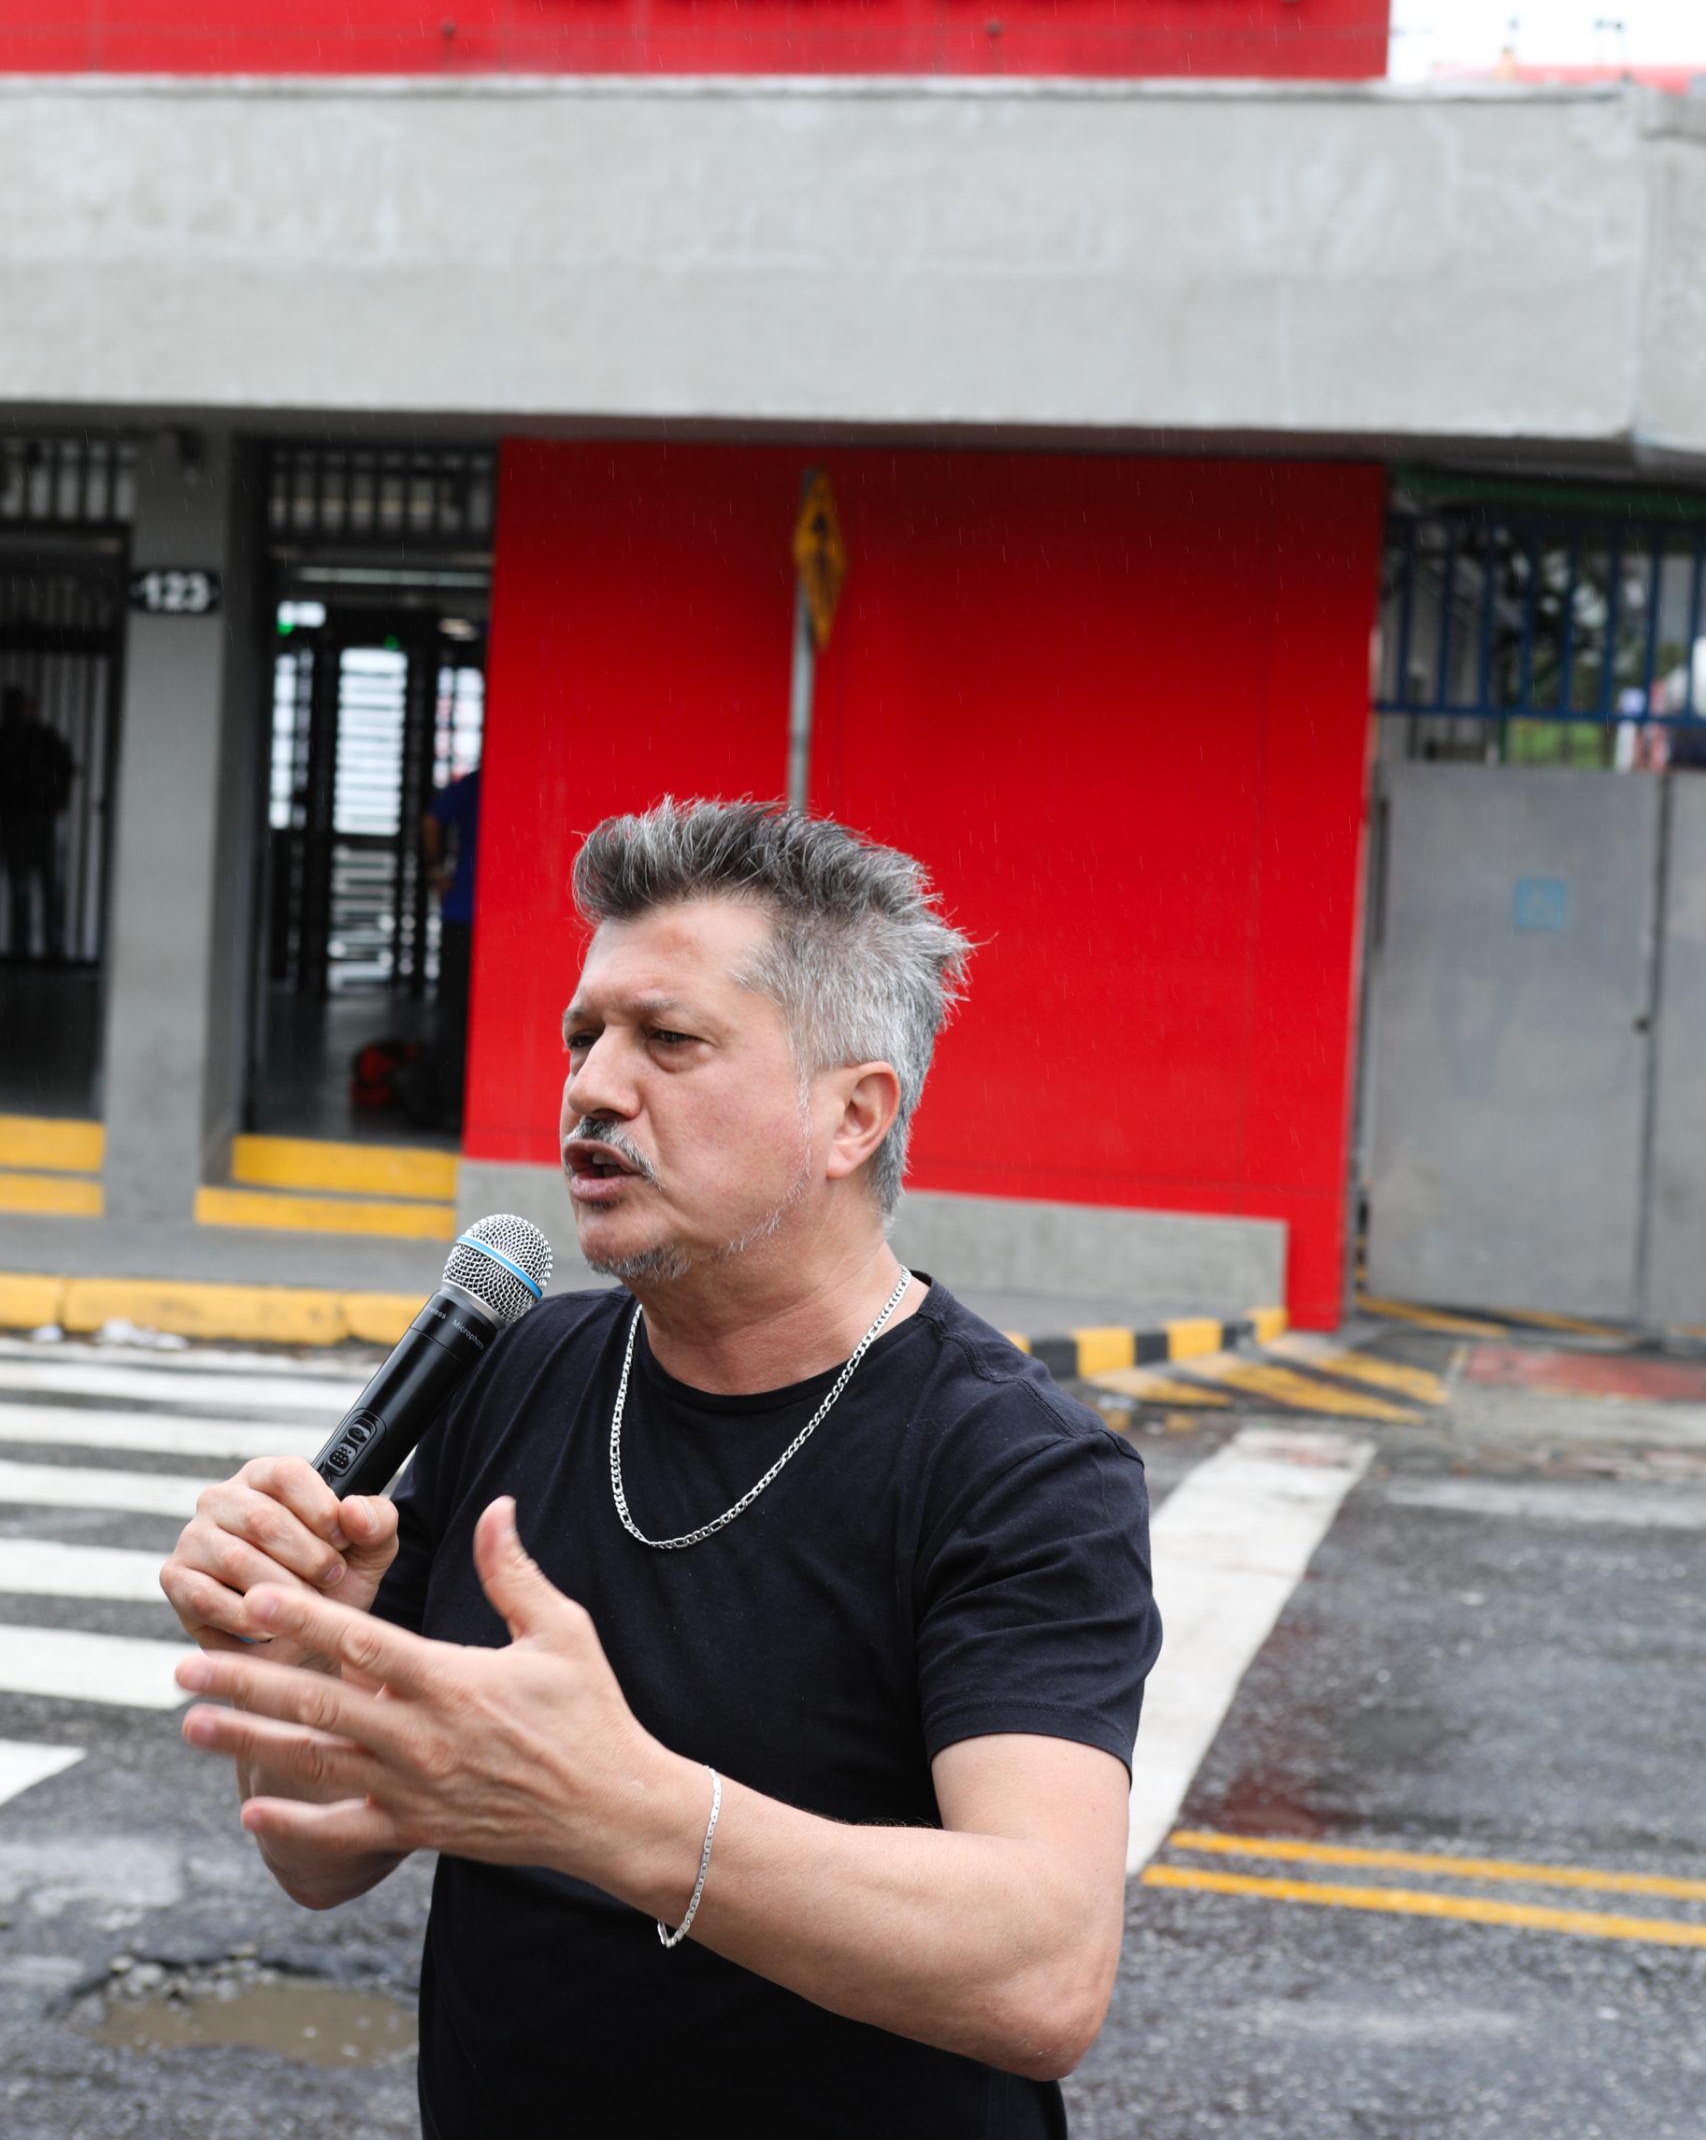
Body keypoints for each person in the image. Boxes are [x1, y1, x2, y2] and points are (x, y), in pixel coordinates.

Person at [161, 799, 1160, 2137]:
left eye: (668, 1041)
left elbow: (1041, 1970)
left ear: (852, 1115)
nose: (591, 1085)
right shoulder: (513, 1371)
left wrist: (613, 1810)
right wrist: (296, 1643)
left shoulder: (1012, 1468)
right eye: (585, 1034)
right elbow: (317, 1851)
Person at [418, 765, 480, 1130]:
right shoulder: (489, 782)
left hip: (463, 916)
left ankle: (447, 1107)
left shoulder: (476, 782)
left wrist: (438, 871)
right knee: (469, 1018)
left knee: (452, 1015)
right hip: (489, 920)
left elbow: (431, 821)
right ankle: (453, 1104)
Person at [0, 686, 74, 962]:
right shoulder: (35, 737)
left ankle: (36, 952)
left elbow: (65, 765)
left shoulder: (39, 738)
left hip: (32, 822)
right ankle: (41, 952)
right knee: (36, 888)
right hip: (26, 822)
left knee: (38, 888)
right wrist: (59, 799)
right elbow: (65, 765)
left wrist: (59, 799)